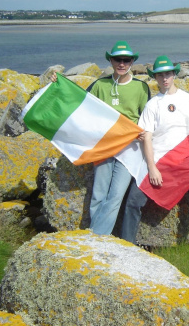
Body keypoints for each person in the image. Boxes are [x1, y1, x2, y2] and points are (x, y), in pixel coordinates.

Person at [121, 55, 189, 256]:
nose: (164, 78)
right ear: (155, 78)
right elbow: (146, 137)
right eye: (160, 75)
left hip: (185, 161)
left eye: (168, 74)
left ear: (174, 74)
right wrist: (152, 167)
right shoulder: (153, 104)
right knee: (133, 201)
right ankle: (126, 249)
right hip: (158, 161)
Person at [53, 40, 150, 235]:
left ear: (132, 62)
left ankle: (96, 236)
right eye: (117, 59)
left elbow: (146, 117)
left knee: (115, 196)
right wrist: (60, 85)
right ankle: (98, 236)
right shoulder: (99, 85)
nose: (121, 64)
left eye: (126, 60)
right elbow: (79, 104)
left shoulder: (141, 88)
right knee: (99, 193)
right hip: (103, 145)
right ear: (110, 61)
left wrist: (143, 132)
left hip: (129, 148)